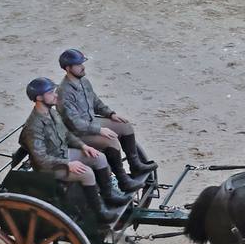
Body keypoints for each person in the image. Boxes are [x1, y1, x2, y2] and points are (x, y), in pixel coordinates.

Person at [21, 77, 128, 224]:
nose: (56, 95)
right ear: (39, 98)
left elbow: (66, 134)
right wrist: (68, 164)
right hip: (50, 167)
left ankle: (109, 195)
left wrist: (83, 146)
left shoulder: (52, 113)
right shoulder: (33, 127)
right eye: (51, 93)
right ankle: (100, 213)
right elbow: (41, 159)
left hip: (63, 154)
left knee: (99, 157)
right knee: (87, 173)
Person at [56, 48, 156, 184]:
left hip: (91, 122)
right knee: (111, 140)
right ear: (68, 68)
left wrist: (110, 114)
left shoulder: (84, 82)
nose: (83, 67)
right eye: (79, 65)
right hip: (77, 133)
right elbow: (74, 123)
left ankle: (135, 165)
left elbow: (96, 102)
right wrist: (100, 130)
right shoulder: (64, 92)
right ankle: (122, 179)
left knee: (124, 126)